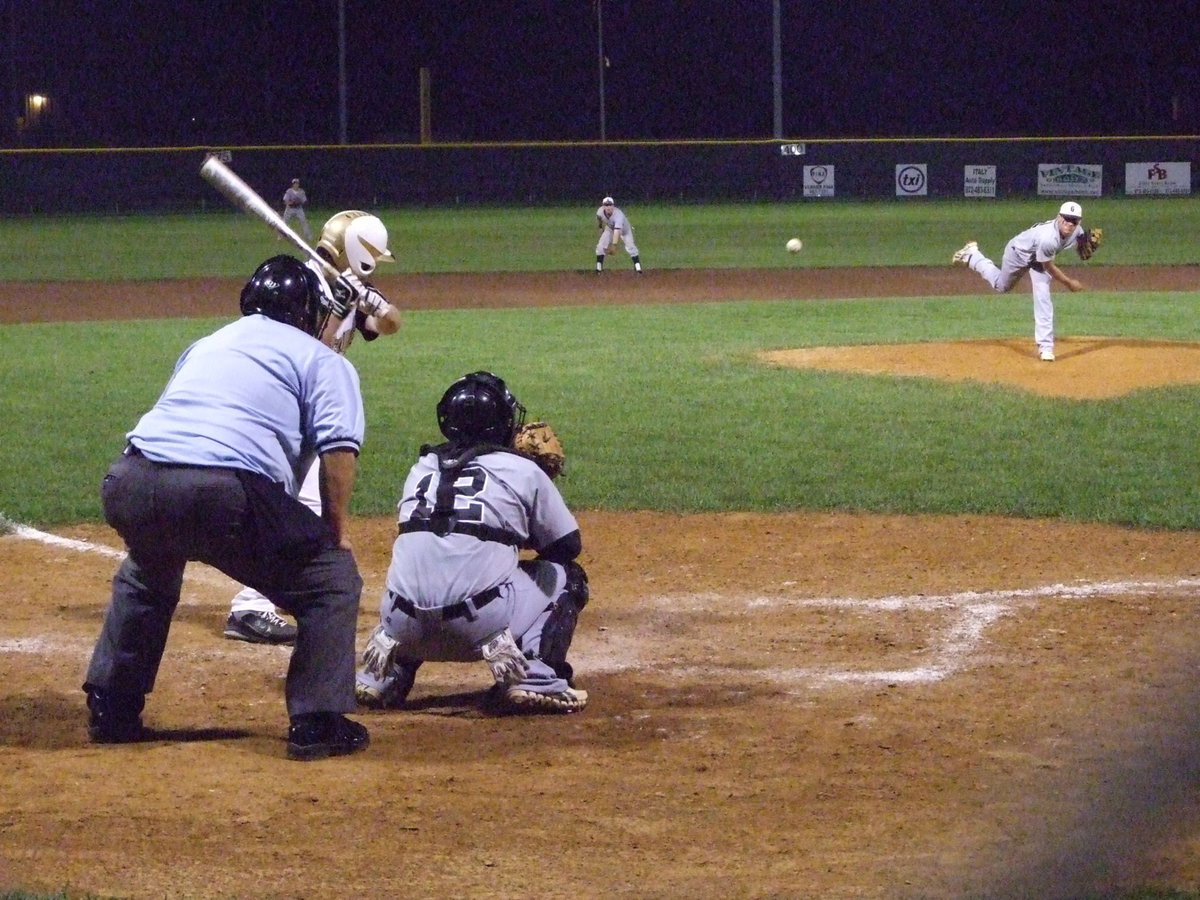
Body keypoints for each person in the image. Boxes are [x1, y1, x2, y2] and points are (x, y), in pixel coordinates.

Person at [82, 255, 373, 761]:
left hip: (129, 481)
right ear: (307, 311)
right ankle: (318, 721)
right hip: (218, 491)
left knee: (150, 568)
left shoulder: (207, 343)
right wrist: (333, 528)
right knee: (330, 578)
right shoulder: (322, 359)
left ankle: (112, 705)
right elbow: (338, 451)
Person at [355, 371, 591, 714]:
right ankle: (535, 676)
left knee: (426, 568)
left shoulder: (420, 468)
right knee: (569, 577)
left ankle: (382, 675)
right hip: (478, 627)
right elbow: (567, 547)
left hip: (400, 625)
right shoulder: (522, 470)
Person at [224, 210, 400, 645]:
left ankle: (277, 591)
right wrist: (339, 307)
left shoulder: (349, 286)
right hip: (283, 405)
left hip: (311, 408)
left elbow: (393, 325)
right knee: (287, 502)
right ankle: (249, 606)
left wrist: (376, 305)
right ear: (358, 252)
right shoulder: (297, 288)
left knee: (304, 503)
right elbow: (301, 353)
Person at [952, 200, 1088, 362]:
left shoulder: (1077, 230)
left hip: (1037, 260)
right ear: (1058, 217)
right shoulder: (1048, 239)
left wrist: (1086, 244)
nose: (1069, 223)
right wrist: (1069, 283)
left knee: (1043, 296)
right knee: (1001, 285)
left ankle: (1045, 347)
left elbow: (1082, 240)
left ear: (1079, 222)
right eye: (1066, 218)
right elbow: (1049, 266)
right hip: (1018, 253)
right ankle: (972, 256)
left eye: (1073, 220)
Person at [595, 195, 642, 273]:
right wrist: (600, 227)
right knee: (600, 246)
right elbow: (599, 218)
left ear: (613, 206)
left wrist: (614, 245)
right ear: (603, 206)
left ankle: (638, 268)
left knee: (631, 247)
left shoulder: (618, 215)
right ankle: (598, 268)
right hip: (610, 228)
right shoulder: (600, 211)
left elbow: (617, 232)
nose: (608, 207)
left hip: (625, 230)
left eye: (610, 205)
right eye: (606, 205)